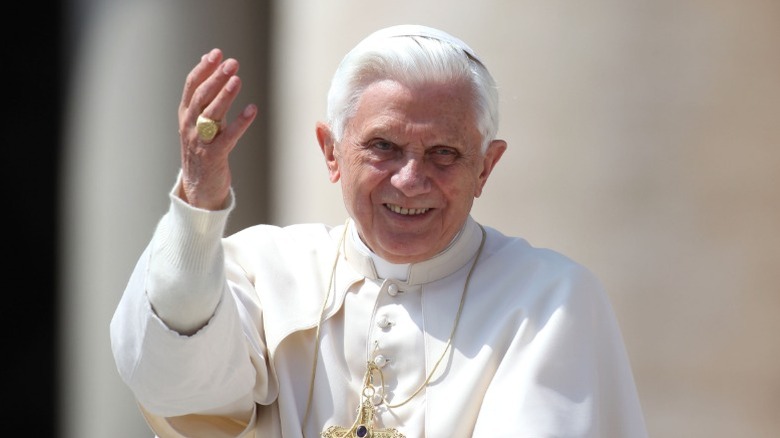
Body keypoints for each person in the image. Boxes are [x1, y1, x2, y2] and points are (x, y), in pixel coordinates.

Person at [110, 24, 647, 438]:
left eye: (444, 153)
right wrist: (199, 206)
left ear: (485, 168)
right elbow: (173, 382)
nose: (411, 180)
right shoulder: (260, 270)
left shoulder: (550, 300)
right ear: (331, 152)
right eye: (383, 147)